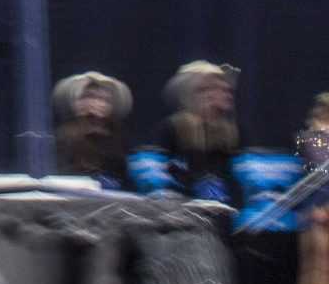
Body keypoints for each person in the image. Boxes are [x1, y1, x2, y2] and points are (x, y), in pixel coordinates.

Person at [140, 59, 240, 204]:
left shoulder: (233, 132)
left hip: (224, 209)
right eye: (220, 89)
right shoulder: (172, 128)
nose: (228, 94)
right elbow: (157, 175)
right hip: (182, 210)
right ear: (198, 92)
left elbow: (239, 178)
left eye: (228, 90)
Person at [51, 70, 131, 188]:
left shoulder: (117, 138)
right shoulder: (64, 136)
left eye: (103, 99)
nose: (94, 103)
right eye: (87, 97)